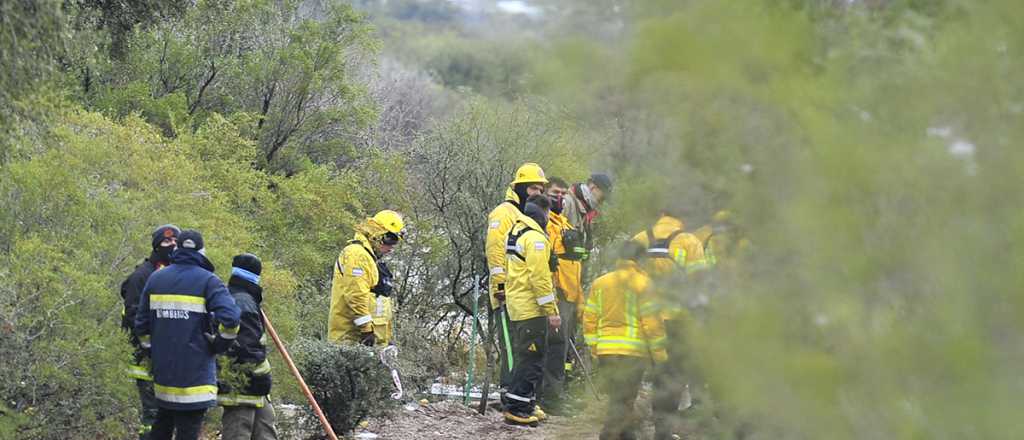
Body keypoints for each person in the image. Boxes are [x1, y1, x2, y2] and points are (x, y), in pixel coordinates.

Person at [134, 229, 241, 440]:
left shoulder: (156, 279)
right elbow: (231, 318)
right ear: (202, 251)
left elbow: (141, 325)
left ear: (177, 249)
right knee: (188, 432)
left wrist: (151, 352)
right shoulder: (209, 281)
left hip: (164, 375)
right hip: (196, 378)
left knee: (161, 426)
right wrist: (219, 344)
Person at [631, 208, 710, 440]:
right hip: (676, 321)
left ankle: (625, 426)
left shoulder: (639, 238)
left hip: (642, 318)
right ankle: (662, 432)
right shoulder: (690, 241)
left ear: (661, 213)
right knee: (671, 375)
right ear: (682, 218)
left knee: (634, 374)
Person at [582, 241, 667, 440]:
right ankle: (608, 435)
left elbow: (589, 319)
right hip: (633, 353)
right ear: (638, 259)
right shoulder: (643, 283)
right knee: (624, 399)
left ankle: (628, 435)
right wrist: (659, 354)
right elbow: (652, 323)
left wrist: (595, 348)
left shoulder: (600, 283)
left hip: (606, 352)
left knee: (620, 398)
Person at [485, 163, 548, 388]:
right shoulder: (504, 213)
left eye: (540, 190)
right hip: (506, 295)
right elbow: (494, 251)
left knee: (525, 349)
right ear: (520, 187)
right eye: (533, 189)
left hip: (522, 296)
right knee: (511, 348)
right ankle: (508, 392)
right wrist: (499, 286)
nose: (537, 194)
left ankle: (521, 394)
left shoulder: (525, 214)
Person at [502, 195, 560, 426]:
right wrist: (551, 310)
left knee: (527, 356)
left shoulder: (516, 232)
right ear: (543, 213)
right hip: (531, 308)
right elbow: (540, 278)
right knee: (532, 359)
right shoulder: (535, 238)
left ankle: (526, 402)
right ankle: (517, 409)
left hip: (518, 305)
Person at [121, 224, 179, 440]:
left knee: (167, 416)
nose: (172, 245)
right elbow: (134, 317)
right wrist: (152, 348)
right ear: (156, 246)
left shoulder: (174, 273)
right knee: (153, 415)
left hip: (168, 360)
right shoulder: (142, 276)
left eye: (175, 241)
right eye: (166, 242)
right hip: (146, 360)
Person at [217, 253, 279, 440]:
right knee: (238, 432)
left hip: (253, 387)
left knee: (266, 431)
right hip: (242, 384)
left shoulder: (242, 298)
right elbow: (246, 348)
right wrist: (261, 376)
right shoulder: (243, 303)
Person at [539, 177, 585, 412]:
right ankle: (549, 399)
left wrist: (579, 298)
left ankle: (558, 394)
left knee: (562, 348)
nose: (560, 198)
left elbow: (574, 265)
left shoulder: (566, 225)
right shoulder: (544, 225)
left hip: (570, 294)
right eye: (555, 193)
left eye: (564, 194)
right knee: (553, 347)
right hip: (554, 294)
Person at [328, 210, 406, 346]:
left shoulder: (369, 257)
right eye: (390, 239)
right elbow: (356, 295)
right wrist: (366, 330)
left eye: (396, 241)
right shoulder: (358, 255)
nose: (391, 247)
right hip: (352, 340)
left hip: (367, 341)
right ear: (377, 234)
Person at [561, 172, 613, 255]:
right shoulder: (567, 202)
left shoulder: (587, 213)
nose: (602, 201)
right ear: (593, 187)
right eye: (602, 197)